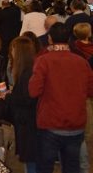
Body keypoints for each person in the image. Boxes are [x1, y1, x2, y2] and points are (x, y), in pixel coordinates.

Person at [29, 23, 93, 173]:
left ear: (50, 39)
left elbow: (33, 91)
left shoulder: (43, 61)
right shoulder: (81, 62)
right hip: (76, 123)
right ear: (69, 39)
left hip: (50, 123)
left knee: (45, 167)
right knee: (72, 167)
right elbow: (90, 90)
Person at [6, 36, 38, 173]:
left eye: (13, 49)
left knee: (31, 163)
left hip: (28, 126)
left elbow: (25, 100)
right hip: (30, 124)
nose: (11, 52)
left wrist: (8, 97)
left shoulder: (26, 75)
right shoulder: (30, 71)